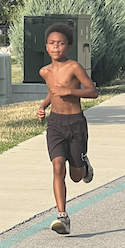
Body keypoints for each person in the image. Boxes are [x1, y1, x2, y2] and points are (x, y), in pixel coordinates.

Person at [36, 23, 98, 235]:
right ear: (46, 47)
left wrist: (69, 90)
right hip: (55, 124)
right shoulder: (45, 71)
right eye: (52, 43)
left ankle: (83, 164)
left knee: (75, 175)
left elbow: (92, 92)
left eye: (61, 43)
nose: (56, 47)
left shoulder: (74, 67)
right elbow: (53, 92)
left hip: (76, 123)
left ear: (68, 47)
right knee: (57, 166)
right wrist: (43, 106)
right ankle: (63, 216)